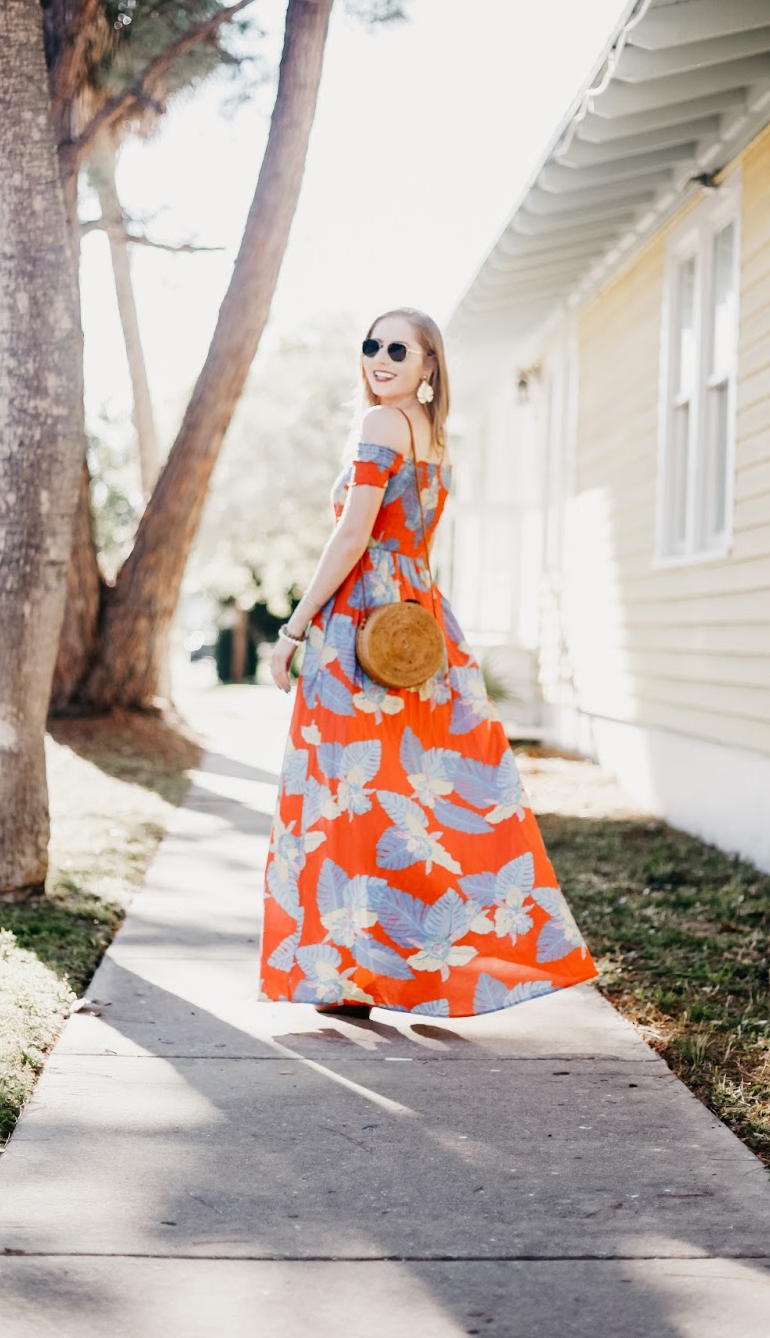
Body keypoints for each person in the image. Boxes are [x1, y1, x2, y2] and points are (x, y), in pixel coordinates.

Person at [260, 306, 597, 1019]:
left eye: (399, 350)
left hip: (362, 626)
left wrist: (293, 627)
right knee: (418, 797)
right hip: (414, 623)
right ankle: (410, 970)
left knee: (345, 798)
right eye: (372, 345)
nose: (381, 358)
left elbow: (355, 533)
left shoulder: (381, 424)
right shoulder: (430, 435)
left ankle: (353, 974)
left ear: (430, 366)